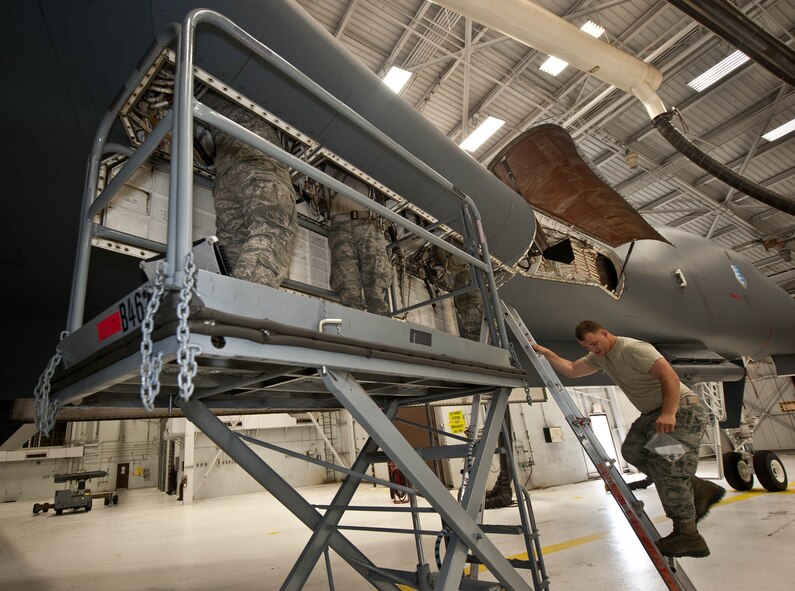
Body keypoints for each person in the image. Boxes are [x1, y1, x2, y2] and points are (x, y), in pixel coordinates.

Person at [531, 320, 725, 558]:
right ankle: (698, 487)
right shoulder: (599, 356)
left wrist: (669, 413)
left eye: (595, 343)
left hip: (681, 411)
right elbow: (572, 369)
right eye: (588, 347)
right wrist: (547, 352)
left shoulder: (633, 349)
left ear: (605, 333)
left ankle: (689, 536)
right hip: (651, 416)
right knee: (634, 451)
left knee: (669, 469)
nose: (594, 349)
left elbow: (670, 378)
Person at [204, 92, 297, 288]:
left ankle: (227, 299)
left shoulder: (210, 93)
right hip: (259, 159)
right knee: (274, 227)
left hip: (225, 171)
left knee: (233, 244)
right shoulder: (249, 87)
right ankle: (243, 299)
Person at [327, 172, 392, 316]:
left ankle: (383, 330)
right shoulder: (328, 160)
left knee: (376, 283)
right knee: (348, 287)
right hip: (340, 226)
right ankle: (355, 328)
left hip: (369, 224)